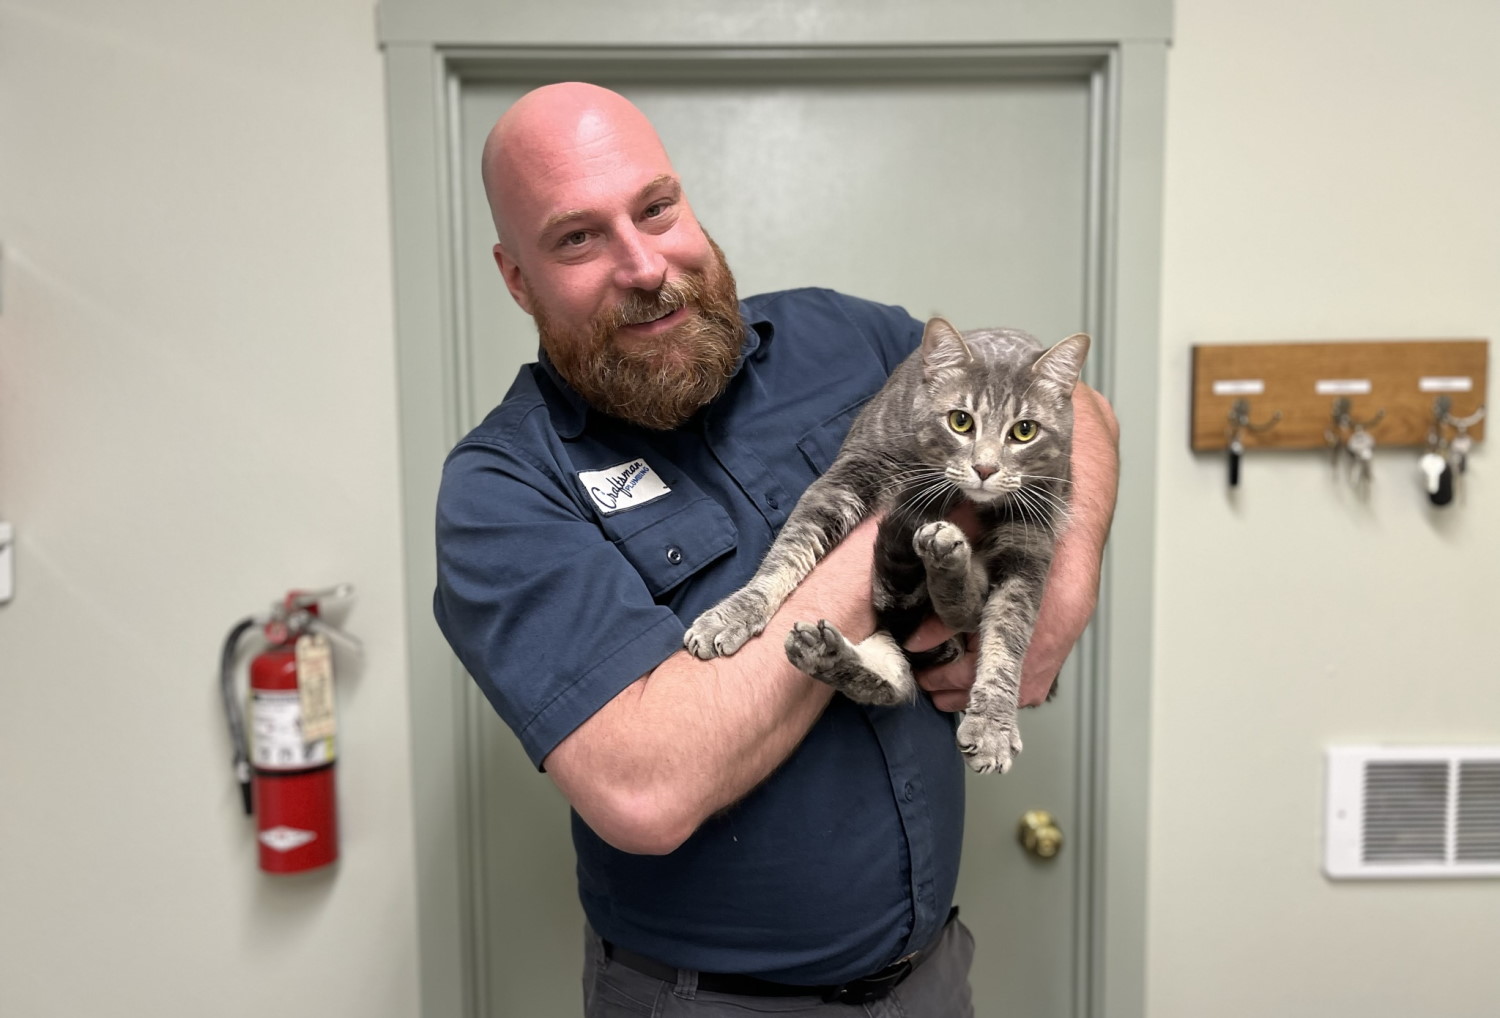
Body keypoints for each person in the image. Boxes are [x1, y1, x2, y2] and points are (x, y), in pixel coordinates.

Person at [434, 82, 1120, 1015]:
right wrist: (903, 534)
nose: (644, 264)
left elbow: (1071, 407)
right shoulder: (502, 489)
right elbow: (645, 790)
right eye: (578, 237)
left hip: (931, 979)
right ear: (517, 278)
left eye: (655, 207)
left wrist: (1063, 591)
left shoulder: (842, 335)